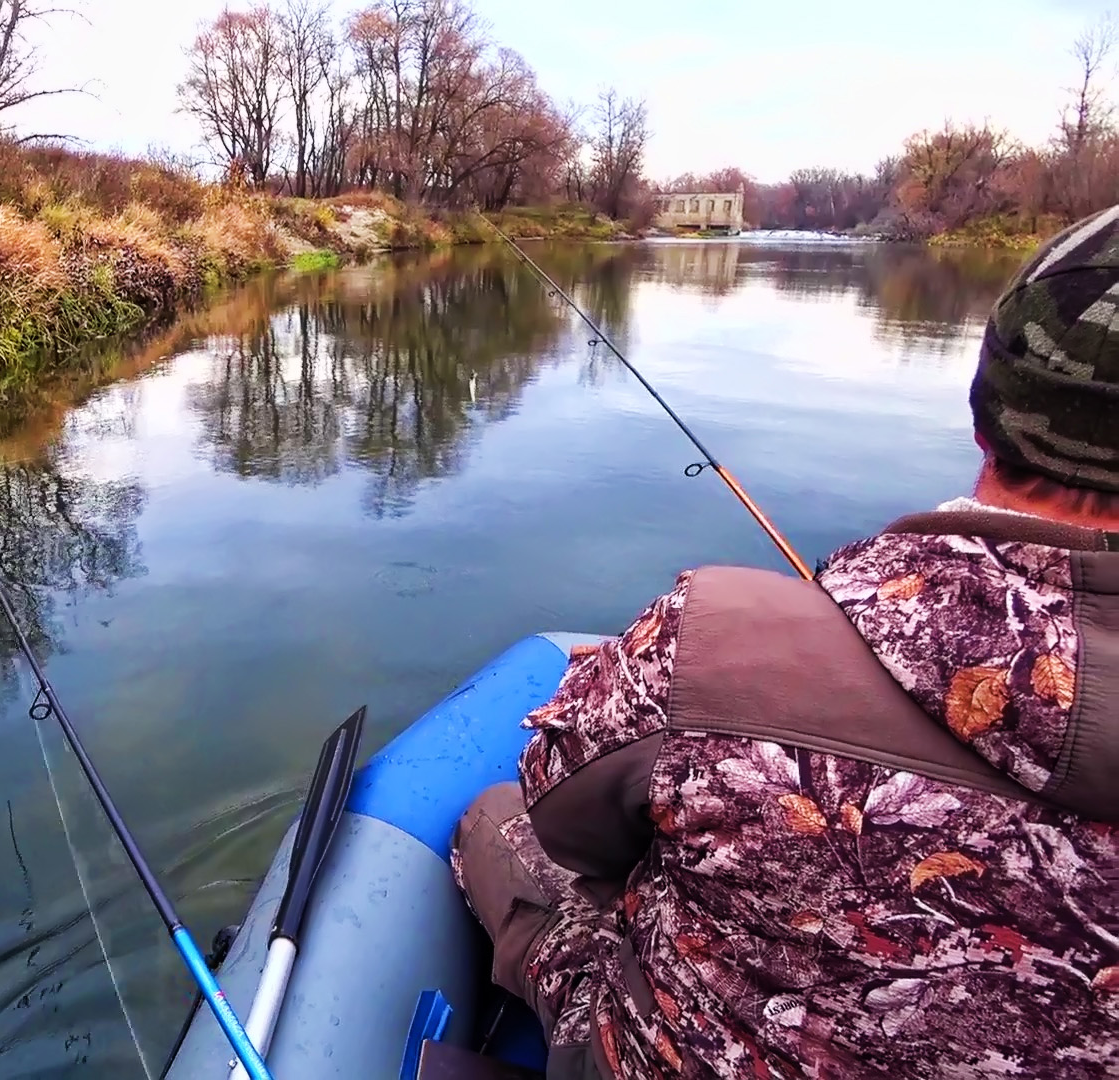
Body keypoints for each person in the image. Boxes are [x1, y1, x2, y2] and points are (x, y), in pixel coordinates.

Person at [451, 207, 1119, 1079]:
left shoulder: (713, 642)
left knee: (494, 821)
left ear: (986, 416)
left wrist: (669, 699)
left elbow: (563, 823)